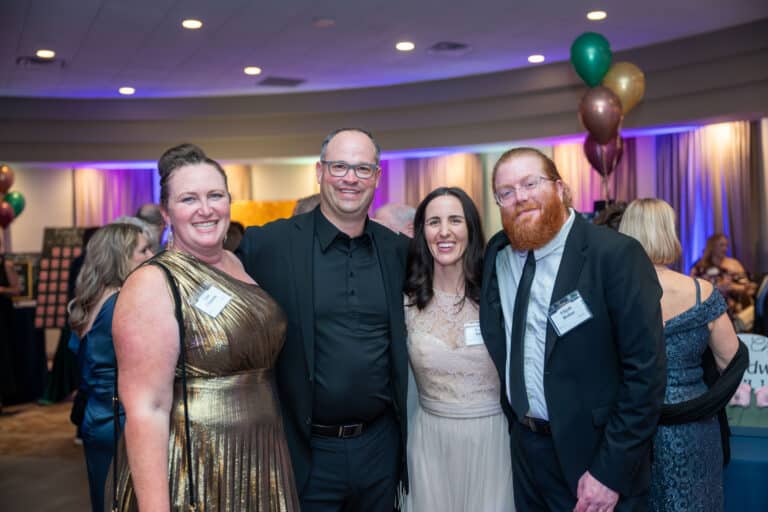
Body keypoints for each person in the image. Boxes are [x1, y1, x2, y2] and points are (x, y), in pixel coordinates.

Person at [111, 143, 299, 511]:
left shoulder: (236, 263)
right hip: (195, 467)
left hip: (262, 455)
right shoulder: (153, 283)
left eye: (215, 195)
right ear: (166, 213)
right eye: (189, 199)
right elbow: (147, 410)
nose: (206, 209)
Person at [479, 147, 666, 511]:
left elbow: (646, 374)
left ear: (560, 188)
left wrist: (610, 473)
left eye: (530, 183)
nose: (520, 197)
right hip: (524, 454)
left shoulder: (614, 255)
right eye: (506, 192)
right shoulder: (498, 255)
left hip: (594, 460)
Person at [237, 128, 410, 512]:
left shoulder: (397, 251)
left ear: (377, 177)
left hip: (380, 448)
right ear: (319, 172)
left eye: (363, 169)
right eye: (339, 167)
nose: (351, 178)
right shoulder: (269, 245)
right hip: (305, 452)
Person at [619, 198, 742, 511]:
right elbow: (731, 361)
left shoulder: (613, 292)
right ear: (668, 232)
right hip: (693, 421)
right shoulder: (702, 291)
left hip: (629, 424)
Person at [402, 187, 514, 511]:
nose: (444, 231)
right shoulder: (406, 301)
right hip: (430, 441)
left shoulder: (499, 295)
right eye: (433, 222)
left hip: (493, 439)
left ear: (471, 228)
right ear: (422, 232)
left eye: (455, 220)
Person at [68, 223, 154, 512]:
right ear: (120, 258)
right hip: (121, 420)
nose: (151, 255)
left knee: (106, 499)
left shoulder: (91, 299)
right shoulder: (122, 302)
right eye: (143, 250)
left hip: (96, 415)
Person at [690, 233, 757, 330]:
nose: (725, 248)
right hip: (708, 310)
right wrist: (718, 287)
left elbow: (749, 287)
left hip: (735, 310)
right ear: (712, 247)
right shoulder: (699, 267)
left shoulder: (734, 264)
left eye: (726, 245)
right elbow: (692, 288)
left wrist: (732, 287)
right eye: (721, 245)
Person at [0, 235, 22, 413]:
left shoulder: (6, 265)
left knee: (3, 356)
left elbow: (17, 289)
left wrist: (2, 290)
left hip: (2, 316)